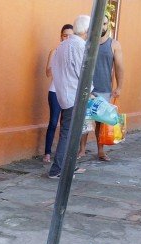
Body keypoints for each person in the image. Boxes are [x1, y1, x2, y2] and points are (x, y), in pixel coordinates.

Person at [47, 15, 90, 179]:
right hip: (74, 95)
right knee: (69, 133)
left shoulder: (63, 45)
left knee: (69, 132)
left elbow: (56, 70)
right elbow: (83, 73)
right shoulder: (79, 46)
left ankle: (66, 166)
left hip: (63, 94)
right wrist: (90, 91)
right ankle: (57, 169)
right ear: (87, 30)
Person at [79, 14, 125, 161]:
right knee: (84, 121)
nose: (102, 27)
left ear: (108, 25)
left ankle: (100, 151)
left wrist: (119, 87)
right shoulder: (86, 42)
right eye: (100, 23)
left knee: (102, 123)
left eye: (105, 24)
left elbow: (119, 67)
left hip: (104, 89)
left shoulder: (114, 44)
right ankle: (82, 150)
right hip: (87, 89)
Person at [44, 24, 75, 164]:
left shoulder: (76, 52)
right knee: (53, 121)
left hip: (69, 92)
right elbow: (48, 73)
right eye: (64, 35)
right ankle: (47, 153)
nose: (67, 37)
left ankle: (62, 154)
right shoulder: (54, 51)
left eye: (70, 35)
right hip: (55, 91)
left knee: (66, 124)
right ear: (61, 36)